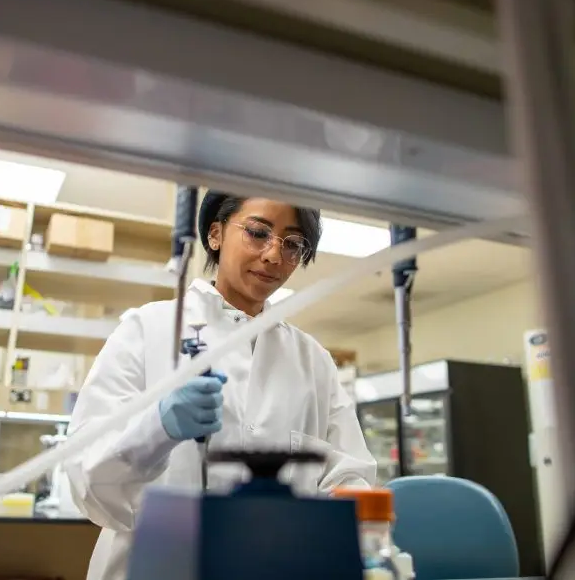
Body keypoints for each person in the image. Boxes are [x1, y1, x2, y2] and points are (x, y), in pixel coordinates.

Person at [64, 192, 377, 580]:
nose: (273, 256)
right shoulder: (146, 329)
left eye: (293, 244)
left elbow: (350, 476)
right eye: (258, 233)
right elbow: (88, 481)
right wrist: (156, 428)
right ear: (215, 234)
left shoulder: (313, 360)